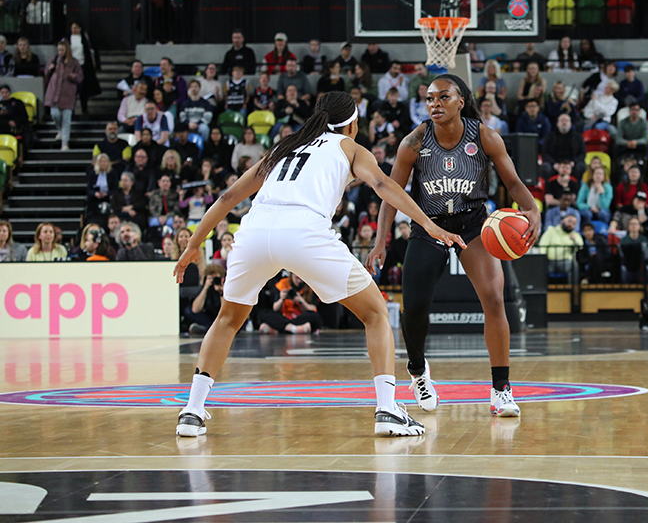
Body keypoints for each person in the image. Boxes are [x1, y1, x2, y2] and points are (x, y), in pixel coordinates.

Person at [172, 92, 463, 438]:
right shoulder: (350, 147)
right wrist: (429, 224)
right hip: (304, 231)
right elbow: (383, 184)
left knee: (227, 319)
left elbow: (228, 197)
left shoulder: (284, 146)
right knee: (375, 314)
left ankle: (192, 411)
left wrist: (194, 243)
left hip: (254, 231)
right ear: (353, 124)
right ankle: (387, 408)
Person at [366, 74, 540, 418]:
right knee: (414, 307)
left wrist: (532, 208)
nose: (435, 104)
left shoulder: (484, 136)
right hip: (429, 225)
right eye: (430, 98)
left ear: (461, 101)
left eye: (443, 97)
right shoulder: (414, 142)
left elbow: (513, 181)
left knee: (494, 299)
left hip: (472, 223)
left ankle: (501, 390)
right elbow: (390, 196)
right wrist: (380, 239)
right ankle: (417, 371)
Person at [44, 39, 83, 151]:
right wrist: (49, 69)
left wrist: (73, 76)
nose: (60, 52)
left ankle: (65, 142)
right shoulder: (54, 59)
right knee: (54, 114)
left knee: (66, 119)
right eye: (59, 50)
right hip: (54, 92)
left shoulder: (74, 63)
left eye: (62, 50)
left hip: (68, 94)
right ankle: (59, 129)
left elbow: (80, 77)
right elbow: (46, 72)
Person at [66, 20, 101, 116]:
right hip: (71, 66)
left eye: (77, 28)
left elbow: (91, 52)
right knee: (72, 90)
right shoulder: (67, 39)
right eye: (73, 28)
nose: (75, 30)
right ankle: (71, 109)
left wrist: (96, 65)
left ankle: (84, 109)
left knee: (83, 89)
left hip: (82, 66)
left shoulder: (85, 38)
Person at [537, 213, 583, 279]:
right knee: (540, 266)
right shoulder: (551, 231)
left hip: (565, 262)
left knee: (574, 266)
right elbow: (542, 245)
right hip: (550, 261)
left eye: (574, 223)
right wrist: (543, 258)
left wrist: (574, 240)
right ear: (563, 220)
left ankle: (573, 288)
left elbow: (581, 246)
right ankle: (540, 289)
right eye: (569, 221)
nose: (571, 225)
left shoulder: (575, 235)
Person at [86, 153, 118, 217]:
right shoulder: (92, 173)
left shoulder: (112, 173)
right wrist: (95, 193)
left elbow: (115, 189)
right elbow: (88, 189)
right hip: (95, 198)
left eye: (104, 161)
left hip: (108, 197)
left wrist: (106, 194)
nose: (102, 163)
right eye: (100, 161)